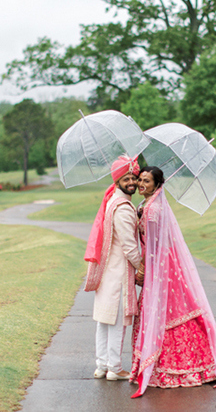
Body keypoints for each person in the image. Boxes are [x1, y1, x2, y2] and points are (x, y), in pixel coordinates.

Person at [129, 166, 216, 397]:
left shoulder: (152, 210)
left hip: (161, 265)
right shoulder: (148, 205)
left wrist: (144, 268)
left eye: (146, 181)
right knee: (167, 309)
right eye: (140, 180)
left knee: (166, 312)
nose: (141, 184)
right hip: (163, 263)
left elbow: (154, 246)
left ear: (157, 185)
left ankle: (175, 368)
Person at [84, 155, 144, 381]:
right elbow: (130, 248)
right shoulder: (123, 207)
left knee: (104, 319)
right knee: (118, 320)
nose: (132, 182)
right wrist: (141, 268)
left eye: (134, 177)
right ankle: (115, 368)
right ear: (117, 181)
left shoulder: (111, 201)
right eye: (126, 178)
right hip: (119, 274)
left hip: (107, 272)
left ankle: (102, 365)